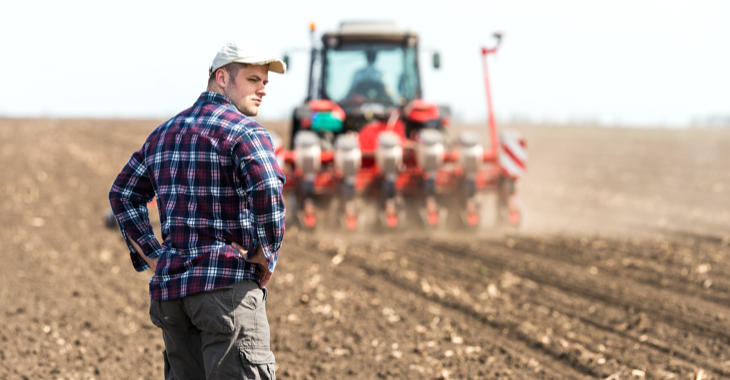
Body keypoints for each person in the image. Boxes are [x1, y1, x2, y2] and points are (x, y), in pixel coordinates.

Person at [108, 40, 286, 380]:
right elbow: (267, 187)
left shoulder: (163, 134)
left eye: (265, 81)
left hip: (173, 299)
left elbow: (123, 193)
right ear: (222, 78)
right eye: (252, 79)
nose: (263, 89)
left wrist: (156, 256)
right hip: (225, 295)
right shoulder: (246, 132)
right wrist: (266, 252)